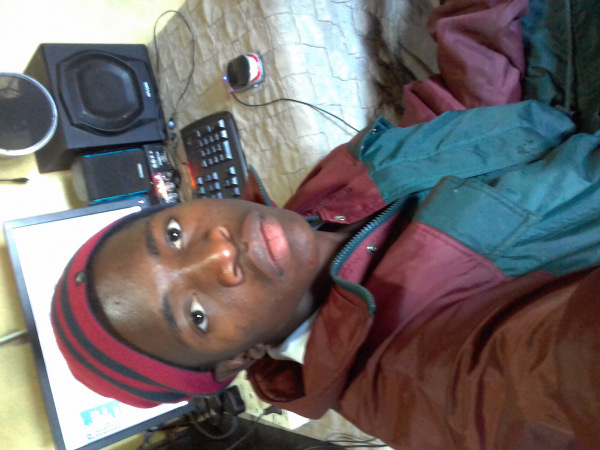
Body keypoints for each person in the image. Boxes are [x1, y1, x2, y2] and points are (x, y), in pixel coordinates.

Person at [51, 0, 600, 448]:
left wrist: (475, 14)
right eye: (196, 314)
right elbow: (558, 381)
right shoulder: (432, 382)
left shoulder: (315, 209)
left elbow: (463, 125)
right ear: (240, 359)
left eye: (173, 236)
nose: (218, 252)